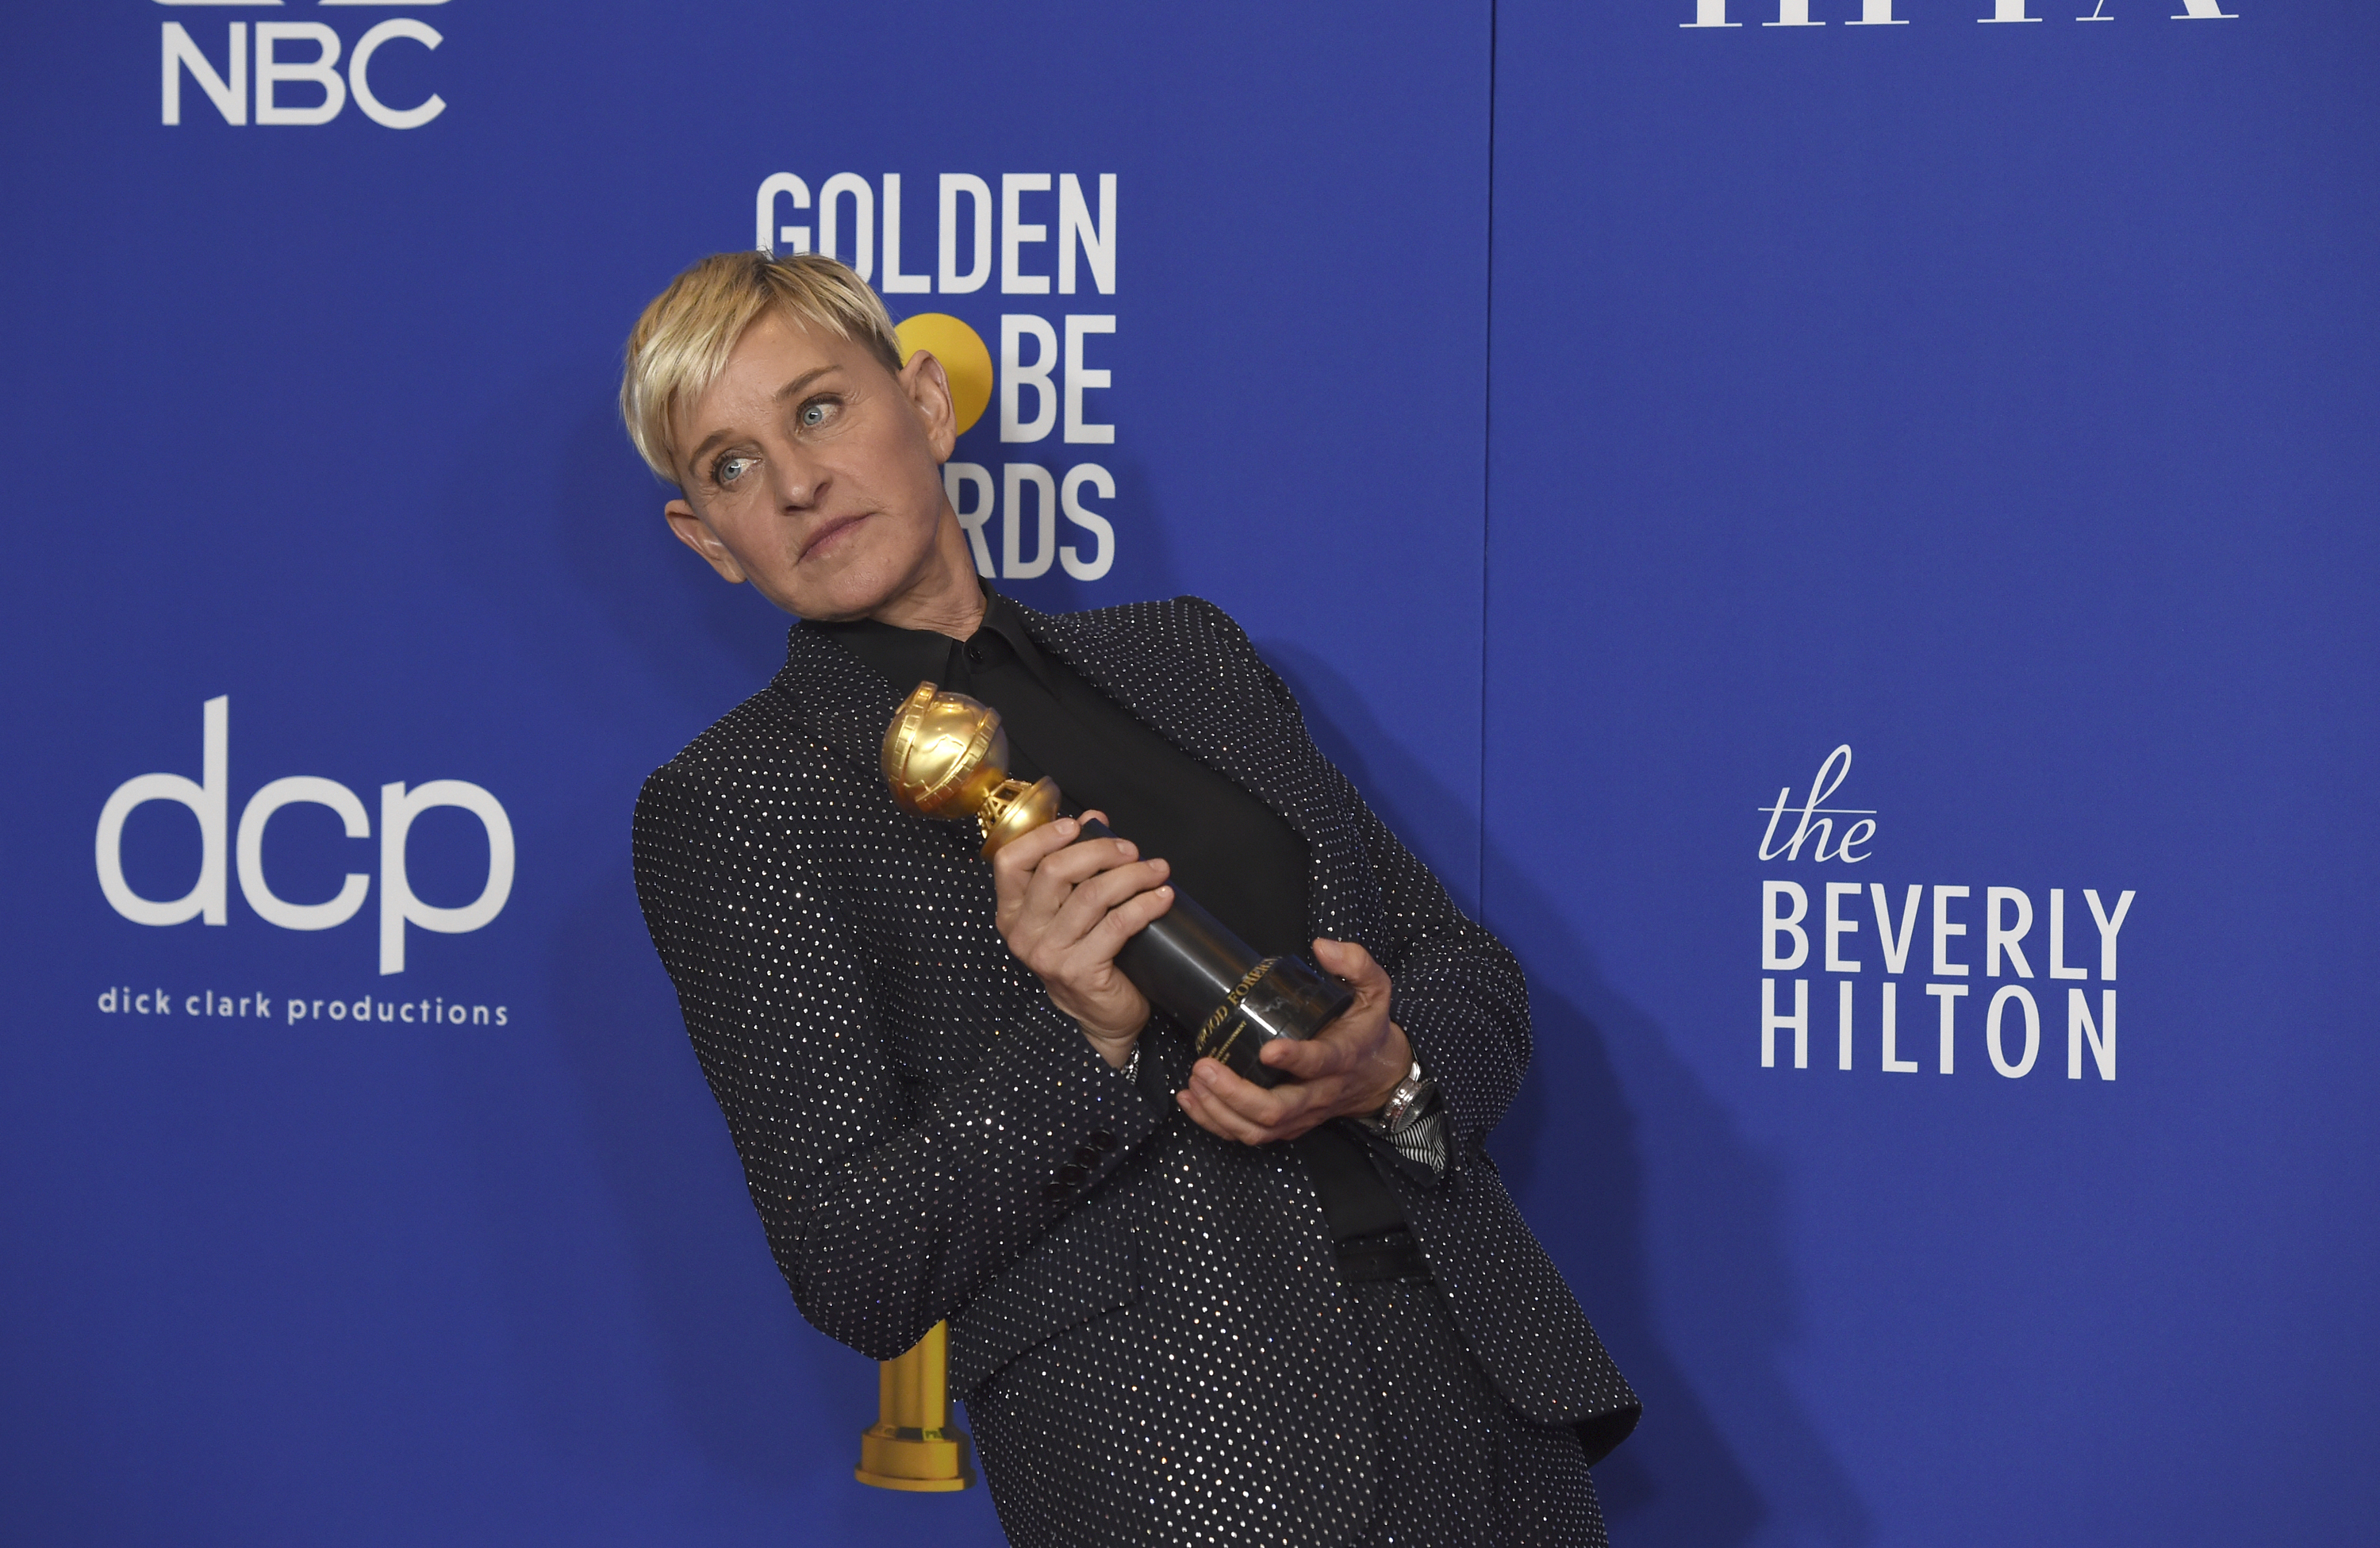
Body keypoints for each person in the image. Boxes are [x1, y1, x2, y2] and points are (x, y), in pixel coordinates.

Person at [621, 249, 1637, 1546]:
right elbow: (855, 1263)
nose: (799, 479)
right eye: (732, 465)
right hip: (1191, 1471)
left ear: (925, 408)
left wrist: (1383, 1063)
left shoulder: (1185, 659)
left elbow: (1462, 970)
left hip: (1482, 1393)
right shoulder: (741, 804)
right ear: (706, 540)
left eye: (817, 408)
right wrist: (1078, 1037)